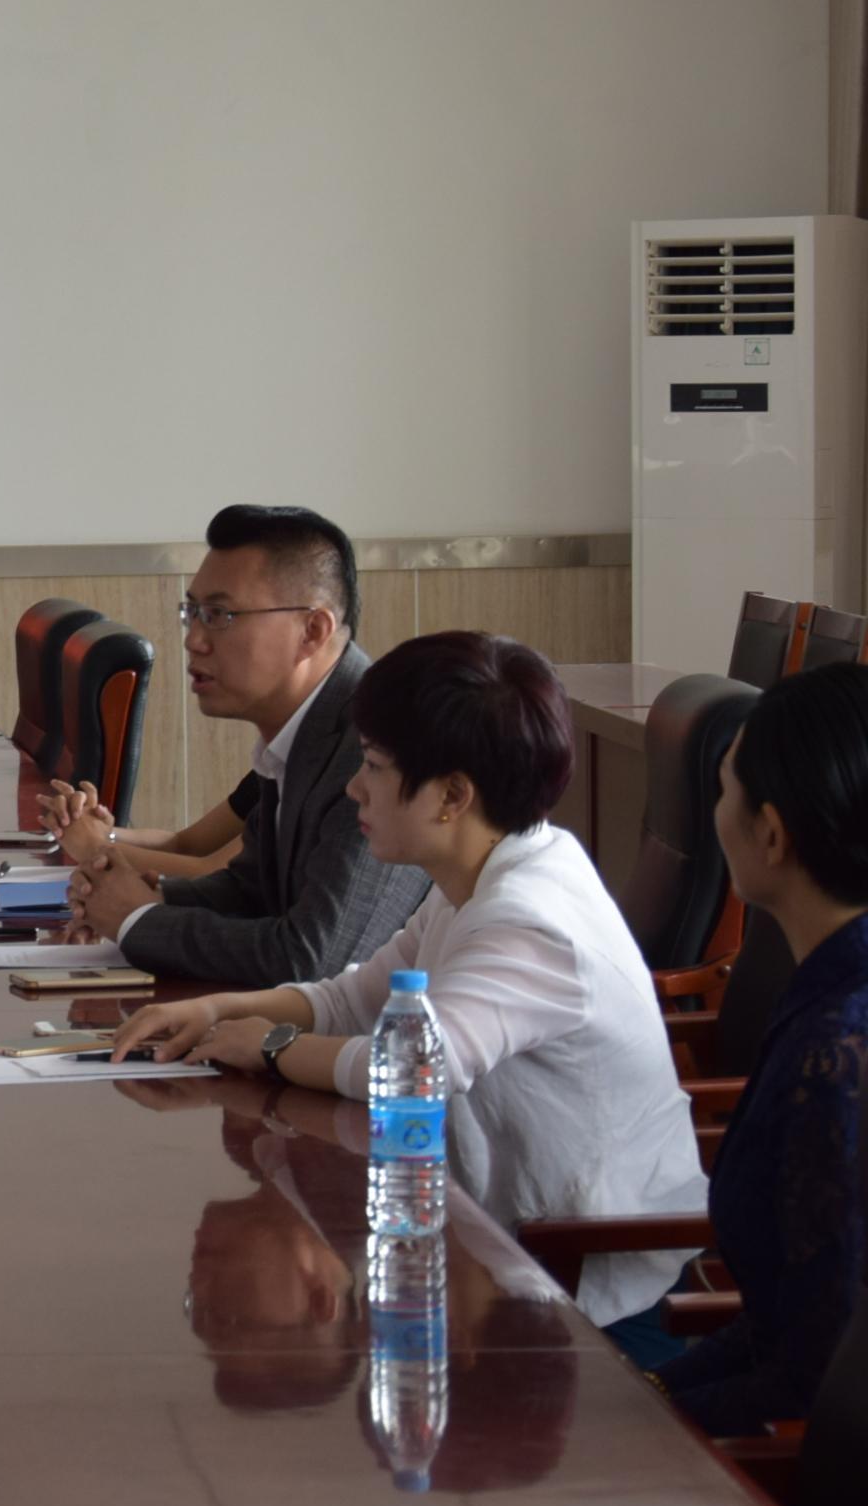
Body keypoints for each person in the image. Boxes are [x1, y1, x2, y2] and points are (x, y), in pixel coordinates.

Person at [112, 632, 706, 1342]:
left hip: (590, 1293)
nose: (354, 787)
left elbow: (408, 1071)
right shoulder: (485, 873)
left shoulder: (531, 919)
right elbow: (355, 997)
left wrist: (270, 1045)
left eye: (373, 766)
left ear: (453, 795)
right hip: (497, 1251)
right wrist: (212, 1008)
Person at [67, 504, 430, 984]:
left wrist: (138, 919)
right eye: (192, 612)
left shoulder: (376, 743)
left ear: (312, 631)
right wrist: (143, 894)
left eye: (219, 615)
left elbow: (314, 960)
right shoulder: (306, 728)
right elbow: (254, 889)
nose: (194, 640)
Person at [656, 662, 868, 1436]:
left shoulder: (836, 1055)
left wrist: (643, 1424)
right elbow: (784, 1324)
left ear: (772, 833)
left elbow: (814, 1377)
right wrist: (643, 1394)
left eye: (723, 790)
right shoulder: (830, 992)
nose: (714, 812)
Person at [42, 774, 247, 881]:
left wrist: (95, 848)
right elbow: (184, 845)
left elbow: (214, 877)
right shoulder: (269, 770)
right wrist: (105, 833)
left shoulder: (279, 774)